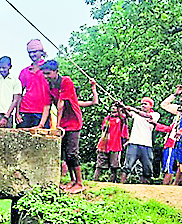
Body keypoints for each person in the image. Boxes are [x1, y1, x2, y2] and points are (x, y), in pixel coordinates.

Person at [42, 60, 86, 192]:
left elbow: (60, 104)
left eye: (48, 73)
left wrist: (57, 125)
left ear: (56, 71)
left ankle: (79, 182)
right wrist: (41, 124)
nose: (46, 76)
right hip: (63, 123)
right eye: (44, 74)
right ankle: (72, 180)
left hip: (72, 121)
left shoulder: (66, 81)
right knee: (66, 154)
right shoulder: (50, 85)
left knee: (72, 153)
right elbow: (47, 105)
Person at [120, 97, 160, 184]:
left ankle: (144, 187)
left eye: (145, 104)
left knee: (147, 168)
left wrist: (132, 109)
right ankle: (121, 184)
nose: (143, 105)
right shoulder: (136, 114)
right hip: (133, 142)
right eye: (142, 104)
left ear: (151, 106)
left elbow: (146, 115)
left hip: (147, 144)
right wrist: (123, 107)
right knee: (127, 165)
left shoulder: (155, 115)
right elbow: (128, 115)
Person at [158, 85, 182, 185]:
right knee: (170, 164)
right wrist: (175, 94)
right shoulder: (179, 109)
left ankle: (181, 186)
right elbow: (164, 105)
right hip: (173, 139)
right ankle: (168, 185)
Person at [16, 39, 51, 128]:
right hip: (25, 110)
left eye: (35, 52)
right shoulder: (24, 72)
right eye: (30, 52)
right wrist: (17, 113)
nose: (32, 55)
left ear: (41, 52)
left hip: (42, 111)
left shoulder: (48, 70)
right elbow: (18, 93)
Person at [94, 102, 128, 182]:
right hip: (104, 144)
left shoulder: (120, 119)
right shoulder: (107, 119)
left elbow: (124, 117)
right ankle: (95, 179)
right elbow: (103, 129)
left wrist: (121, 107)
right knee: (99, 164)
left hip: (115, 145)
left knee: (114, 165)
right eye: (112, 108)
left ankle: (112, 181)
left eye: (115, 109)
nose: (113, 110)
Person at [0, 56, 21, 128]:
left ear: (10, 67)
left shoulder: (15, 81)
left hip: (7, 116)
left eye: (4, 68)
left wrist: (6, 117)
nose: (2, 70)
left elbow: (15, 100)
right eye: (0, 68)